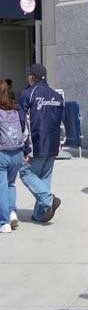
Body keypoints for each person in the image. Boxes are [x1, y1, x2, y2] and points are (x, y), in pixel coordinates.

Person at [18, 64, 64, 223]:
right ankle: (39, 214)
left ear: (32, 76)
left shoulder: (28, 94)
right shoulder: (57, 96)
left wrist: (24, 148)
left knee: (25, 173)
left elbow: (22, 122)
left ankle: (49, 200)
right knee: (44, 177)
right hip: (53, 144)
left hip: (35, 144)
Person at [0, 80, 24, 233]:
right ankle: (12, 212)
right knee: (11, 184)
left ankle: (4, 222)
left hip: (2, 153)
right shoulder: (15, 111)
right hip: (17, 153)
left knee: (1, 187)